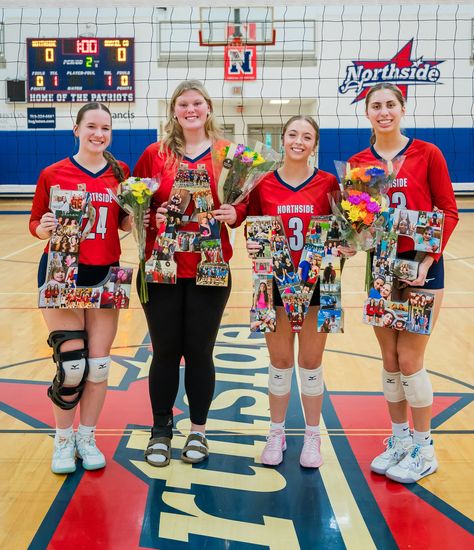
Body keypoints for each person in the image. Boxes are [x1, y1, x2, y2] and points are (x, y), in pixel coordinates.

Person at [133, 80, 246, 467]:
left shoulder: (230, 155)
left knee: (199, 352)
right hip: (161, 267)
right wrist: (152, 215)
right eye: (184, 104)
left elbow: (244, 204)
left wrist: (236, 214)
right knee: (164, 352)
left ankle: (198, 430)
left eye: (197, 103)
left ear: (209, 108)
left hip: (209, 268)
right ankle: (161, 431)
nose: (191, 109)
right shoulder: (155, 153)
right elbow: (137, 207)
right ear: (174, 111)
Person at [350, 83, 459, 483]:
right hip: (381, 268)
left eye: (390, 105)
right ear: (366, 114)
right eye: (375, 106)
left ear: (402, 109)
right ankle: (398, 440)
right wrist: (351, 242)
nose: (383, 112)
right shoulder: (360, 162)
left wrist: (427, 260)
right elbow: (359, 222)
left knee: (411, 360)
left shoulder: (428, 153)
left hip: (421, 267)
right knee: (391, 361)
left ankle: (424, 446)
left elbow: (448, 210)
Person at [245, 115, 355, 468]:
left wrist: (348, 245)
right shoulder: (262, 183)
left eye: (307, 136)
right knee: (279, 363)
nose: (298, 141)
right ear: (283, 138)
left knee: (310, 364)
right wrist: (252, 243)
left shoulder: (329, 183)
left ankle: (312, 436)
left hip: (318, 282)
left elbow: (343, 231)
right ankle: (276, 433)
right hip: (274, 281)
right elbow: (249, 225)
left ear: (314, 144)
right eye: (293, 134)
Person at [29, 102, 131, 474]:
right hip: (61, 272)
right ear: (76, 129)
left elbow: (126, 225)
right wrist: (42, 228)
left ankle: (87, 438)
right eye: (91, 126)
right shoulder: (52, 173)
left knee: (99, 366)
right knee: (72, 365)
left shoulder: (122, 174)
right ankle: (63, 438)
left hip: (105, 274)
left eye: (105, 128)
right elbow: (35, 223)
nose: (98, 134)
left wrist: (140, 213)